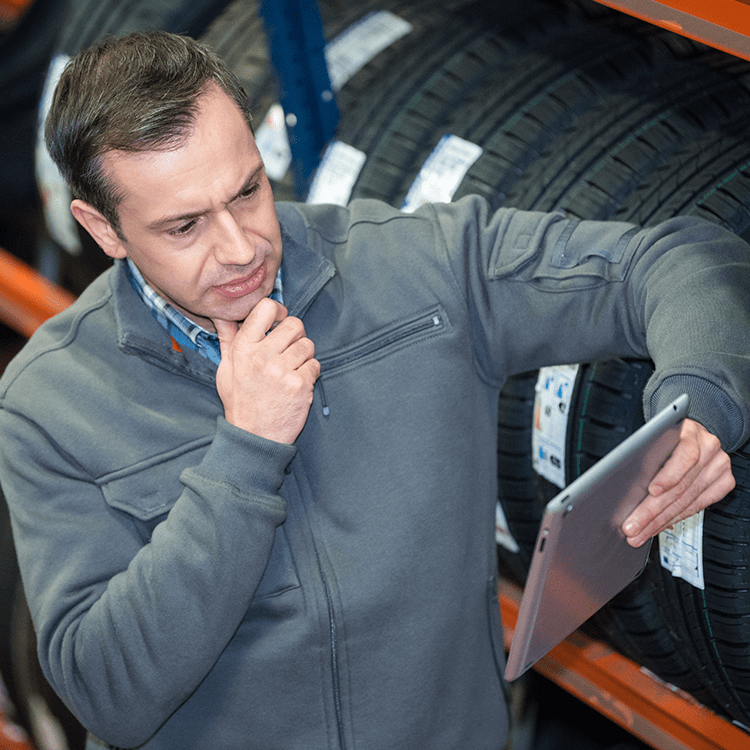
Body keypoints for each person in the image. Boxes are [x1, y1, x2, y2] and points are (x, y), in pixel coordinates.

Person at [0, 29, 747, 750]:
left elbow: (678, 262)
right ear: (103, 229)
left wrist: (699, 407)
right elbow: (110, 695)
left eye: (249, 190)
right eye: (185, 226)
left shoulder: (423, 273)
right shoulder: (52, 403)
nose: (239, 248)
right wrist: (246, 453)